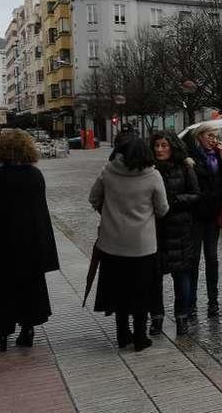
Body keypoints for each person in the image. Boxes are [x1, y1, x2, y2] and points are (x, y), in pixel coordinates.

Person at [0, 130, 59, 354]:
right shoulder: (35, 174)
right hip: (32, 242)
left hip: (4, 244)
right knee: (29, 287)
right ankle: (27, 329)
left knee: (2, 290)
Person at [90, 138, 169, 352]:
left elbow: (94, 197)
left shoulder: (108, 171)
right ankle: (141, 337)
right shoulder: (153, 176)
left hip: (112, 244)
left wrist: (107, 214)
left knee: (119, 290)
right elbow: (162, 208)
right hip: (143, 246)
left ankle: (123, 334)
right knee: (142, 291)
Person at [149, 131, 200, 336]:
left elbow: (196, 194)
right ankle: (156, 318)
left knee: (182, 276)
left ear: (172, 147)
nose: (160, 149)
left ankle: (182, 318)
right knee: (154, 278)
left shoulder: (185, 167)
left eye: (164, 145)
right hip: (155, 229)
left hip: (179, 229)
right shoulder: (148, 169)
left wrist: (175, 201)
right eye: (157, 146)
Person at [185, 123, 222, 318]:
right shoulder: (192, 159)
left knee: (212, 259)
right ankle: (192, 301)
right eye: (210, 136)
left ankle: (213, 301)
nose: (213, 140)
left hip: (213, 216)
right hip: (197, 215)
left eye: (215, 136)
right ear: (200, 137)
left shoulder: (217, 158)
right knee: (194, 260)